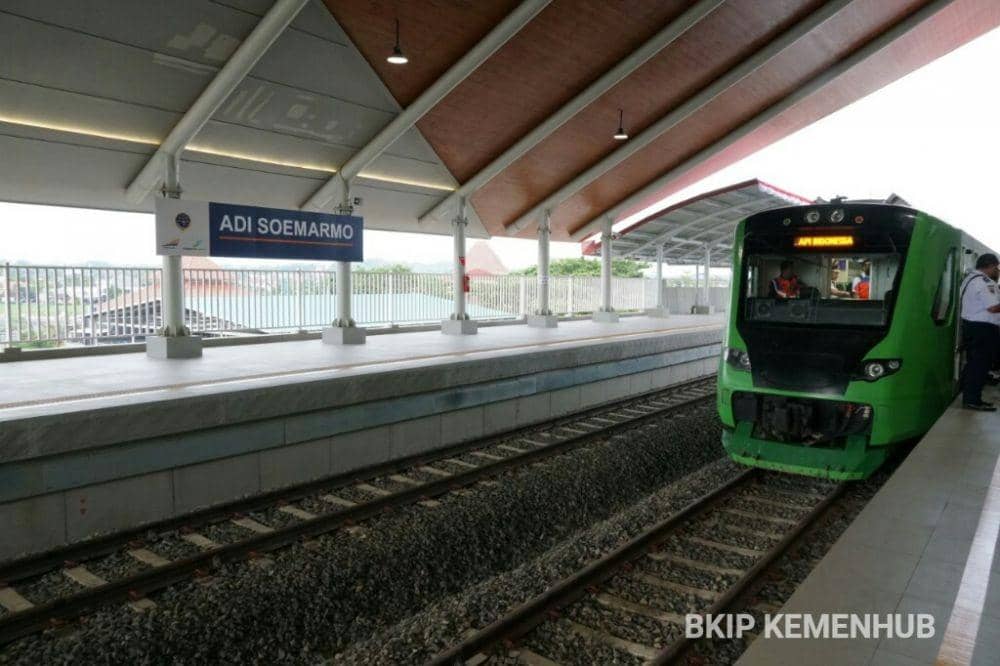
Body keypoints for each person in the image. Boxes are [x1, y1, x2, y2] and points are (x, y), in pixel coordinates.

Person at [960, 253, 1000, 411]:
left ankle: (971, 397)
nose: (997, 271)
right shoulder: (984, 282)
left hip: (974, 326)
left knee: (975, 363)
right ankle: (972, 400)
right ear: (989, 266)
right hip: (983, 329)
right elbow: (993, 307)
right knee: (979, 365)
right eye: (996, 267)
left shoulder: (970, 279)